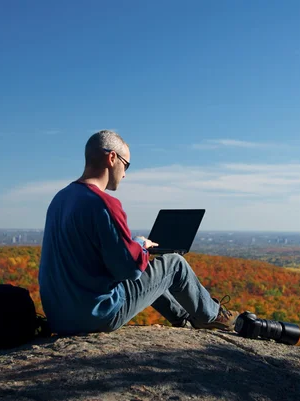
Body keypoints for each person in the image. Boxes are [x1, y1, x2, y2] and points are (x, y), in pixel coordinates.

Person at [38, 130, 239, 335]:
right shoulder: (103, 204)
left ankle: (183, 319)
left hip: (61, 317)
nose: (124, 174)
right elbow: (130, 270)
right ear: (112, 158)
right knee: (175, 264)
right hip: (96, 316)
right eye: (126, 165)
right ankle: (212, 316)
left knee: (147, 269)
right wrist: (141, 246)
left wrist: (135, 245)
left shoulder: (60, 199)